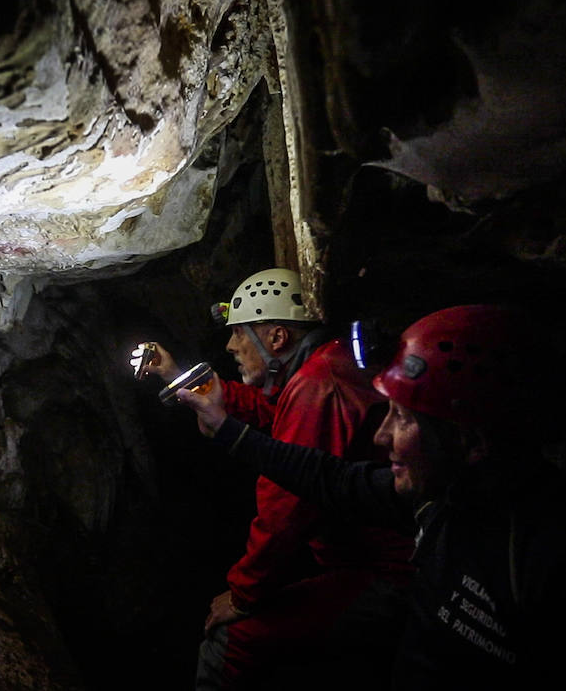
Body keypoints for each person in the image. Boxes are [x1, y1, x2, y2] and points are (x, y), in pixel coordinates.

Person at [175, 303, 566, 688]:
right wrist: (223, 428)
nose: (380, 436)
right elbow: (327, 477)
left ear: (472, 442)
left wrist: (245, 593)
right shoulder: (445, 497)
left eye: (404, 419)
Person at [133, 268, 415, 690]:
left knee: (228, 642)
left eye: (240, 334)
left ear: (277, 339)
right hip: (367, 555)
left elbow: (286, 508)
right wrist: (176, 375)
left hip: (388, 574)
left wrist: (244, 594)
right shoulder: (325, 363)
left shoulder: (320, 385)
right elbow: (272, 410)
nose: (230, 345)